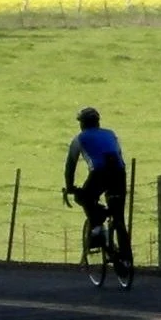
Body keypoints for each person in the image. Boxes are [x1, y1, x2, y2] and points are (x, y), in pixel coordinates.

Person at [63, 106, 126, 248]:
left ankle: (97, 227)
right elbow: (119, 155)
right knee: (118, 214)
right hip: (119, 172)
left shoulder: (79, 139)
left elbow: (70, 165)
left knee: (83, 197)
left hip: (100, 172)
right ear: (98, 122)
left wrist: (70, 187)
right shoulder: (111, 134)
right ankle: (125, 257)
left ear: (82, 124)